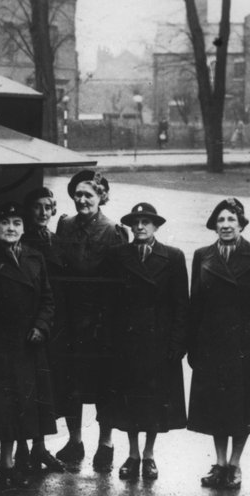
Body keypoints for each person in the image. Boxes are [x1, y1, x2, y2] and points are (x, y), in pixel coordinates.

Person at [0, 201, 56, 491]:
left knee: (17, 407)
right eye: (5, 223)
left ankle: (7, 464)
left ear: (24, 228)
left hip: (26, 345)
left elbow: (48, 300)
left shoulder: (35, 257)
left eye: (16, 223)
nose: (11, 228)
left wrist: (41, 325)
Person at [187, 198, 250, 490]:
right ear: (214, 224)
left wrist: (249, 334)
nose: (225, 225)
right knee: (216, 405)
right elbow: (195, 303)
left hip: (244, 345)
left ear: (241, 224)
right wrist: (193, 344)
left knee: (242, 406)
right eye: (221, 220)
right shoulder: (203, 255)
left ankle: (235, 464)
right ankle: (220, 463)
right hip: (211, 343)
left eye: (231, 220)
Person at [101, 203, 188, 481]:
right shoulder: (117, 255)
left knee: (153, 402)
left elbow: (180, 305)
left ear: (156, 226)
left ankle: (149, 455)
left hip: (158, 342)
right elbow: (108, 302)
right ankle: (133, 454)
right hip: (126, 342)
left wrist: (177, 343)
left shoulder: (173, 257)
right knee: (129, 402)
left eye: (146, 222)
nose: (140, 226)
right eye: (135, 222)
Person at [53, 170, 128, 472]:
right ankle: (75, 441)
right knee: (71, 383)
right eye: (78, 194)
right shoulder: (64, 225)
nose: (82, 200)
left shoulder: (114, 231)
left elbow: (120, 282)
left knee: (103, 384)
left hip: (101, 322)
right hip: (70, 318)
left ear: (101, 198)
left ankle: (105, 443)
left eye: (89, 195)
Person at [14, 187, 68, 475]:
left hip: (52, 325)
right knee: (26, 388)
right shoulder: (24, 241)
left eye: (48, 207)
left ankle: (39, 447)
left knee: (45, 389)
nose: (43, 213)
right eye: (37, 207)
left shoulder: (57, 240)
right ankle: (24, 449)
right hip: (29, 325)